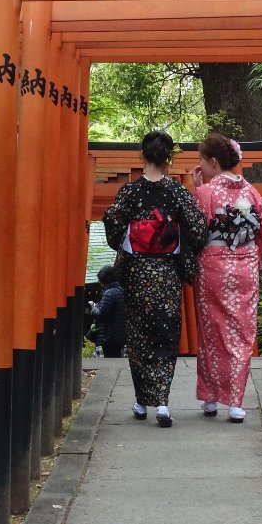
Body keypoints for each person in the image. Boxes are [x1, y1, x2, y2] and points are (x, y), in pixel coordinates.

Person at [103, 130, 207, 427]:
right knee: (165, 333)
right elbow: (198, 229)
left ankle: (140, 401)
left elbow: (112, 226)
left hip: (137, 272)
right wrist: (176, 239)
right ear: (167, 159)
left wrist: (132, 233)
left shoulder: (129, 192)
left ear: (143, 155)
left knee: (138, 336)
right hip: (165, 274)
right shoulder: (176, 192)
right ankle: (162, 403)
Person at [192, 133, 262, 423]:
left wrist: (197, 190)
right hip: (245, 268)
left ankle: (211, 398)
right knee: (241, 334)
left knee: (212, 332)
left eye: (202, 161)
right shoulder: (250, 192)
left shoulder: (206, 193)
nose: (200, 166)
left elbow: (194, 232)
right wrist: (253, 253)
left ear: (213, 162)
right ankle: (235, 403)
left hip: (213, 268)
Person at [87, 265, 126, 357]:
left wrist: (93, 308)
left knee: (111, 359)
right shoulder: (120, 290)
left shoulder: (109, 293)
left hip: (109, 335)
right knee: (116, 357)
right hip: (119, 333)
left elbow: (100, 314)